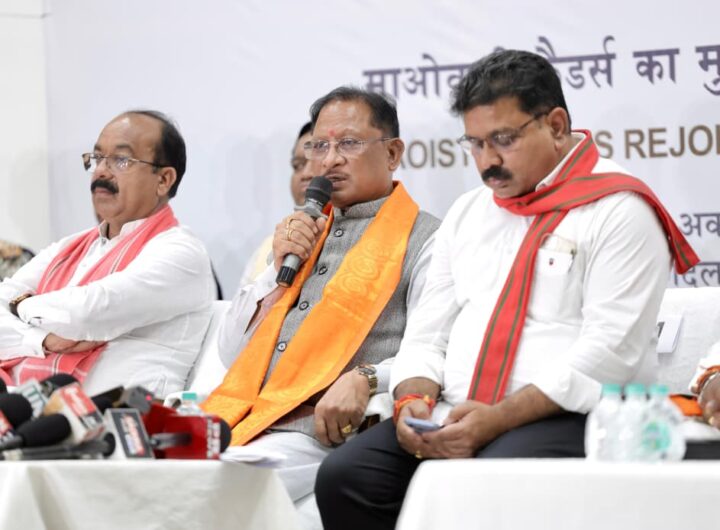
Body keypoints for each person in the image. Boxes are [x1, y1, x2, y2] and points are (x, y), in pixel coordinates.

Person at [315, 50, 699, 529]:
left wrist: (496, 420)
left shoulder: (619, 209)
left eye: (503, 140)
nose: (488, 162)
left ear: (556, 126)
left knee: (486, 484)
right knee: (347, 477)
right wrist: (411, 403)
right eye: (475, 143)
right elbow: (428, 334)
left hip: (569, 416)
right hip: (453, 410)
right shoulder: (469, 212)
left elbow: (610, 353)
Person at [202, 87, 440, 521]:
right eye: (319, 146)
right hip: (248, 419)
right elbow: (231, 352)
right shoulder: (302, 234)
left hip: (324, 433)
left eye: (348, 143)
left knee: (208, 492)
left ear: (392, 153)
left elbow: (433, 347)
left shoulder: (427, 239)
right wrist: (277, 271)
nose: (330, 160)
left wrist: (368, 377)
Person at [0, 110, 215, 397]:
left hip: (119, 419)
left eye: (121, 160)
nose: (101, 171)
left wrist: (21, 304)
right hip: (27, 406)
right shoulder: (70, 248)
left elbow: (87, 313)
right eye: (97, 158)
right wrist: (41, 340)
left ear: (164, 179)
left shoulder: (181, 253)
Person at [238, 122, 313, 287]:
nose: (305, 174)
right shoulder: (269, 245)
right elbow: (240, 303)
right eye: (298, 166)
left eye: (316, 162)